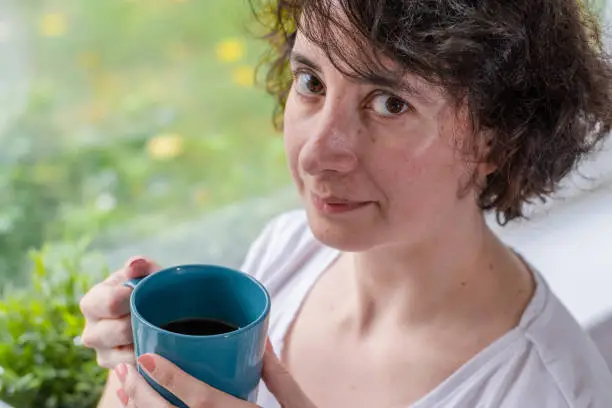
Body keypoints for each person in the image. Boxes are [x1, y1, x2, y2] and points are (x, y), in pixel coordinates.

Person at [79, 0, 612, 406]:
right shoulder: (286, 252)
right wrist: (139, 369)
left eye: (389, 103)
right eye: (310, 81)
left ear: (499, 137)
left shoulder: (545, 389)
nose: (316, 154)